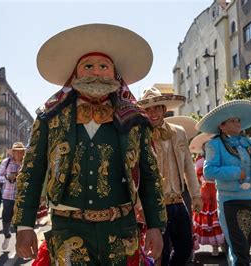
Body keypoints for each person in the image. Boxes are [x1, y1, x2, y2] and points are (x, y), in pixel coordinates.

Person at [14, 23, 166, 264]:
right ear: (75, 75)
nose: (96, 72)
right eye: (88, 66)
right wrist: (24, 225)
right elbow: (31, 173)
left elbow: (150, 176)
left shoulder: (136, 120)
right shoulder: (50, 118)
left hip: (121, 232)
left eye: (103, 66)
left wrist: (156, 225)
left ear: (114, 74)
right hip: (68, 231)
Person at [138, 86, 202, 265]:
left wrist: (196, 194)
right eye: (148, 109)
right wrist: (139, 206)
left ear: (164, 109)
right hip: (155, 205)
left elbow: (188, 165)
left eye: (157, 108)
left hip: (178, 200)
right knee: (160, 253)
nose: (153, 113)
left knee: (185, 248)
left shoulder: (179, 132)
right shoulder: (140, 135)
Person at [198, 100, 251, 265]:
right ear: (222, 125)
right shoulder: (214, 144)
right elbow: (209, 172)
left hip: (250, 197)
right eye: (232, 121)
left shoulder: (249, 143)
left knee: (244, 245)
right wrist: (238, 172)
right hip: (229, 199)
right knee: (237, 247)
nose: (237, 123)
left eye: (238, 120)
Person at [189, 133, 225, 256]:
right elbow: (197, 175)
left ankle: (223, 244)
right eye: (206, 145)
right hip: (206, 190)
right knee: (209, 218)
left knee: (220, 217)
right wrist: (203, 180)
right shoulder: (199, 160)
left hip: (217, 188)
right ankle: (215, 246)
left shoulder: (219, 158)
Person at [0, 142, 26, 251]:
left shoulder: (26, 163)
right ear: (13, 152)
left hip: (22, 197)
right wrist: (8, 177)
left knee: (20, 222)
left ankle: (19, 245)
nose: (19, 153)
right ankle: (7, 235)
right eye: (17, 151)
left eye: (21, 151)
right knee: (6, 219)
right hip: (8, 196)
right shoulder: (6, 162)